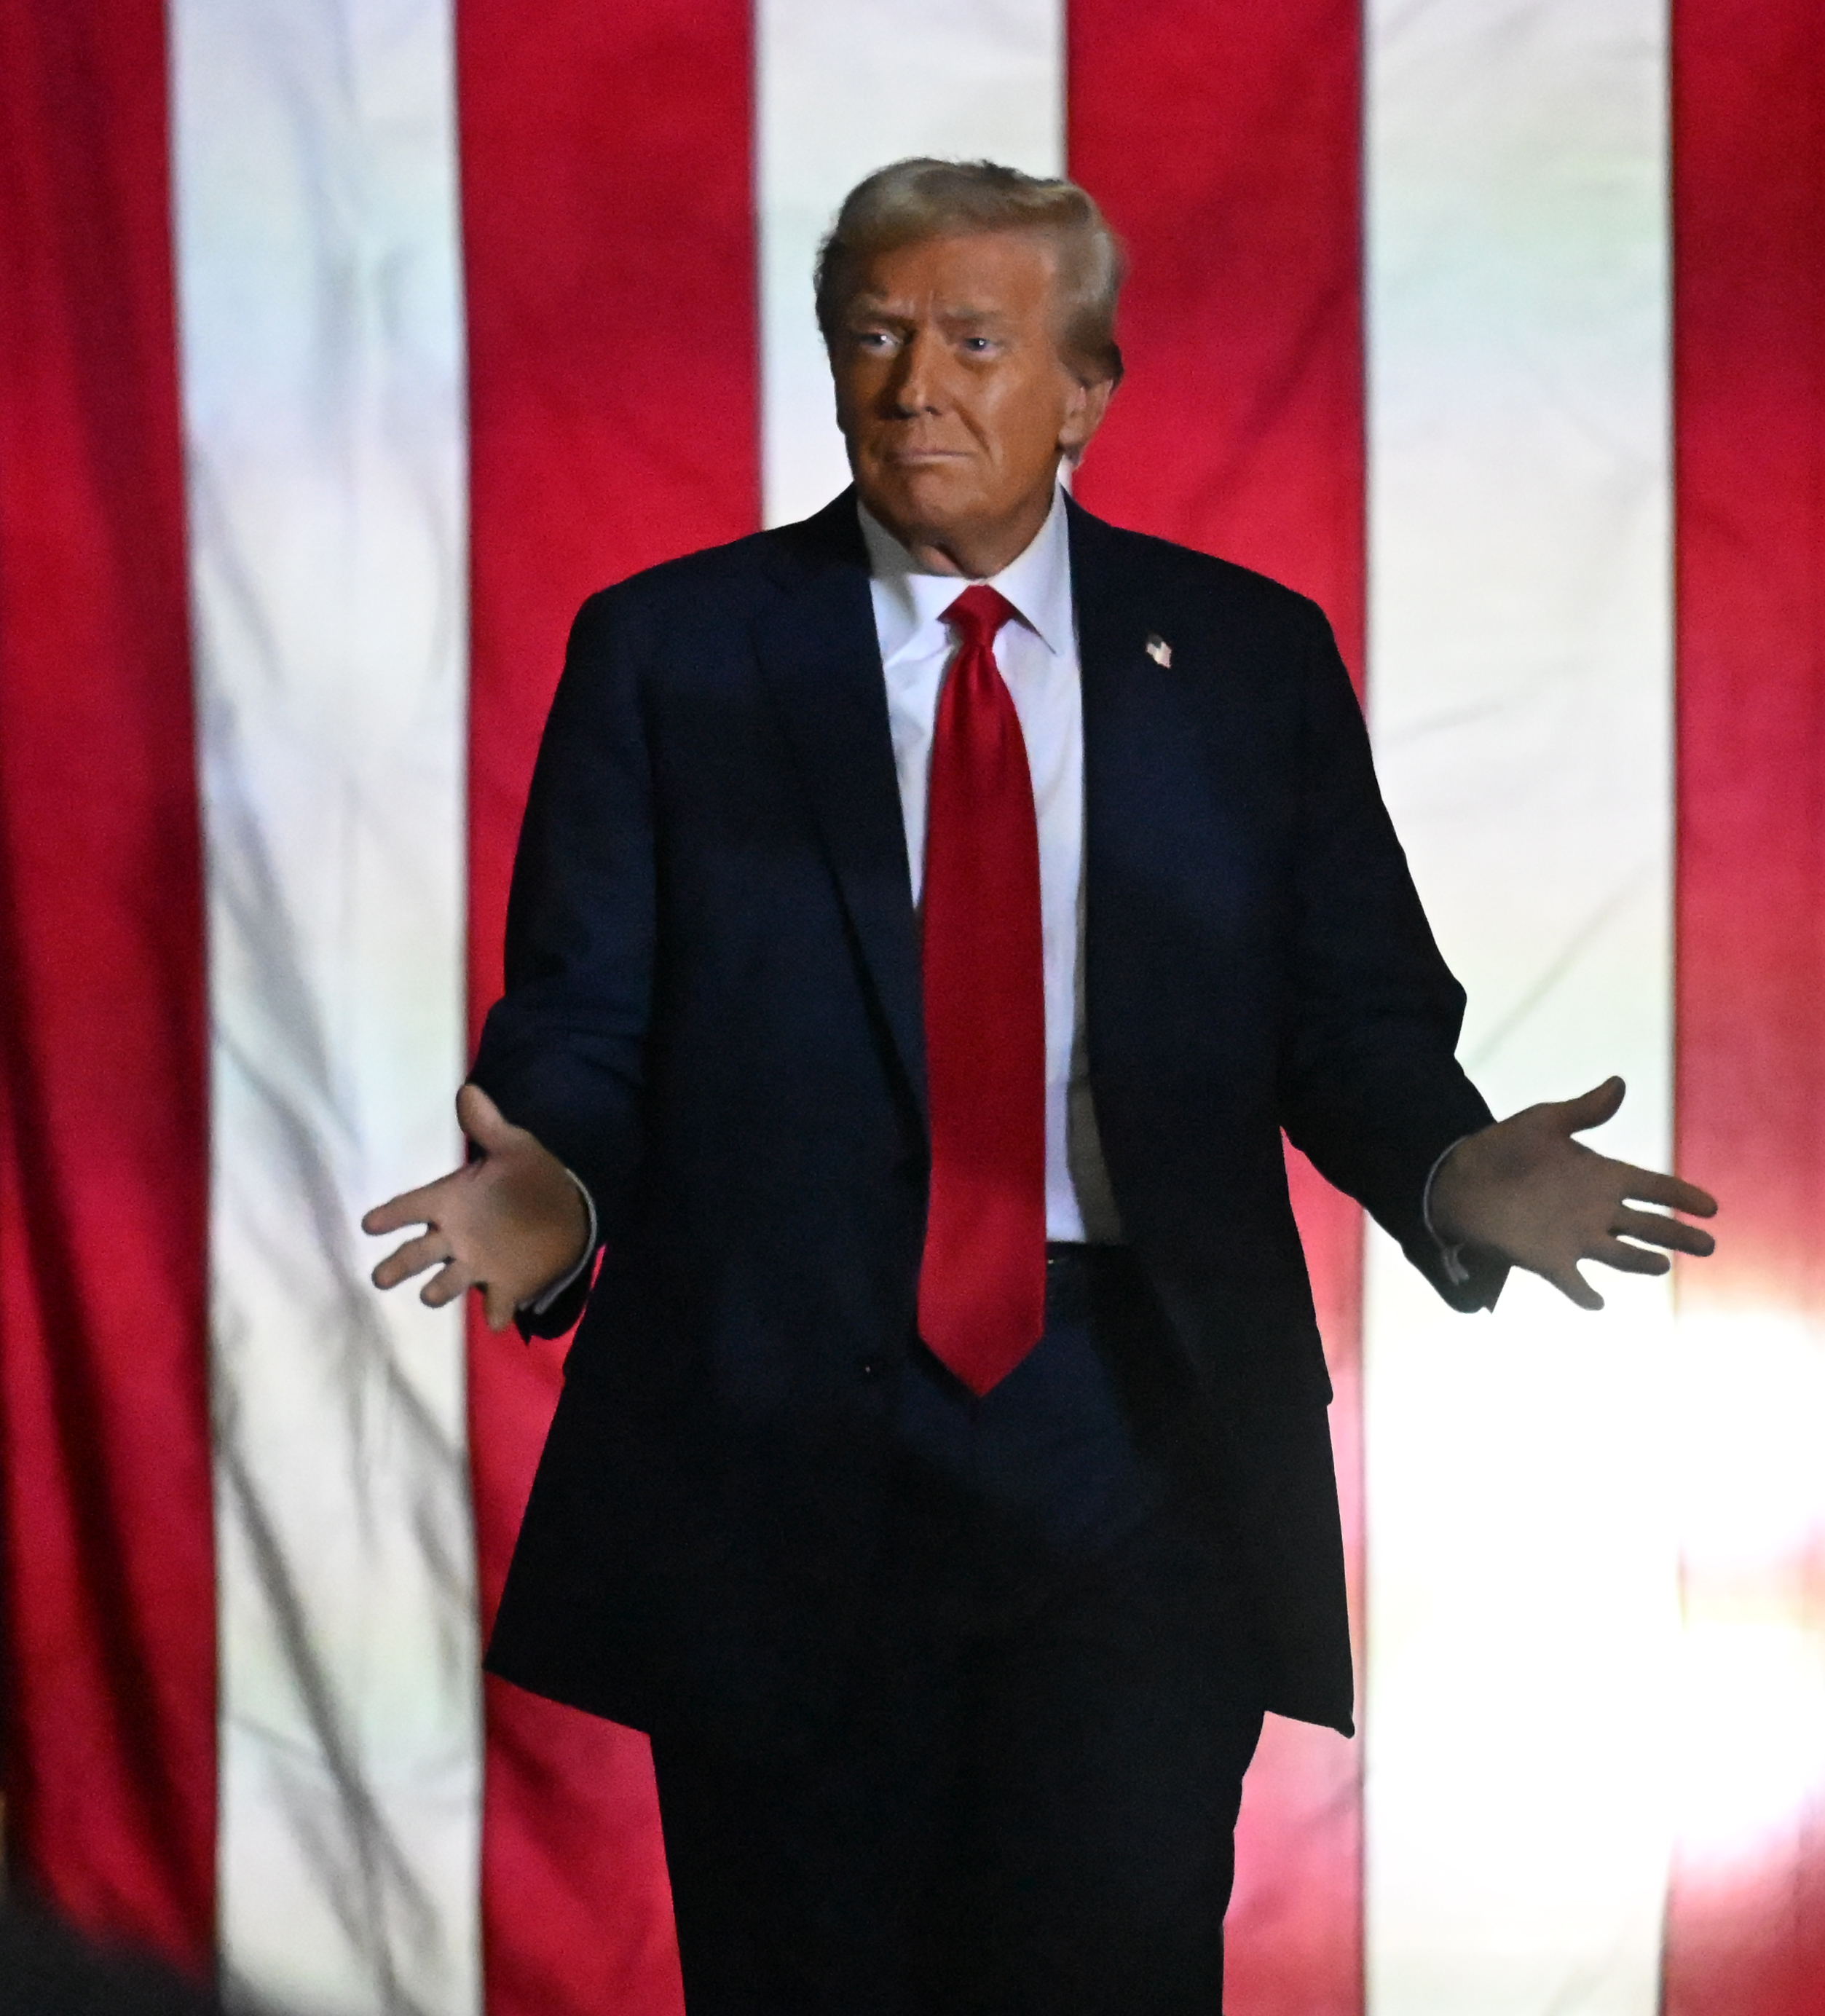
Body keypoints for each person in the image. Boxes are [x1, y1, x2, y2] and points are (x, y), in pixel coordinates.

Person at [366, 160, 1716, 2015]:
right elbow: (583, 1031)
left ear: (1082, 389)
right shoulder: (671, 650)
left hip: (1133, 1432)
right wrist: (556, 1196)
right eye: (874, 336)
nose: (914, 381)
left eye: (974, 339)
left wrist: (1445, 1166)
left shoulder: (1243, 661)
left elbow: (1351, 1020)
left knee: (1110, 1964)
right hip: (778, 1422)